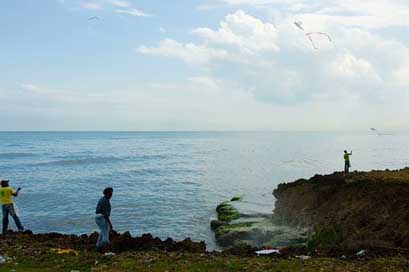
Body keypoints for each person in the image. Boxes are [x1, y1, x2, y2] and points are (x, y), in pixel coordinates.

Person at [95, 187, 114, 252]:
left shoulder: (102, 199)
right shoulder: (105, 201)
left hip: (98, 217)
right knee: (105, 236)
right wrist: (110, 223)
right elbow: (105, 214)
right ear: (108, 194)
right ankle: (107, 250)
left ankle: (98, 247)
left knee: (102, 232)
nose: (111, 195)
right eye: (111, 193)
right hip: (102, 218)